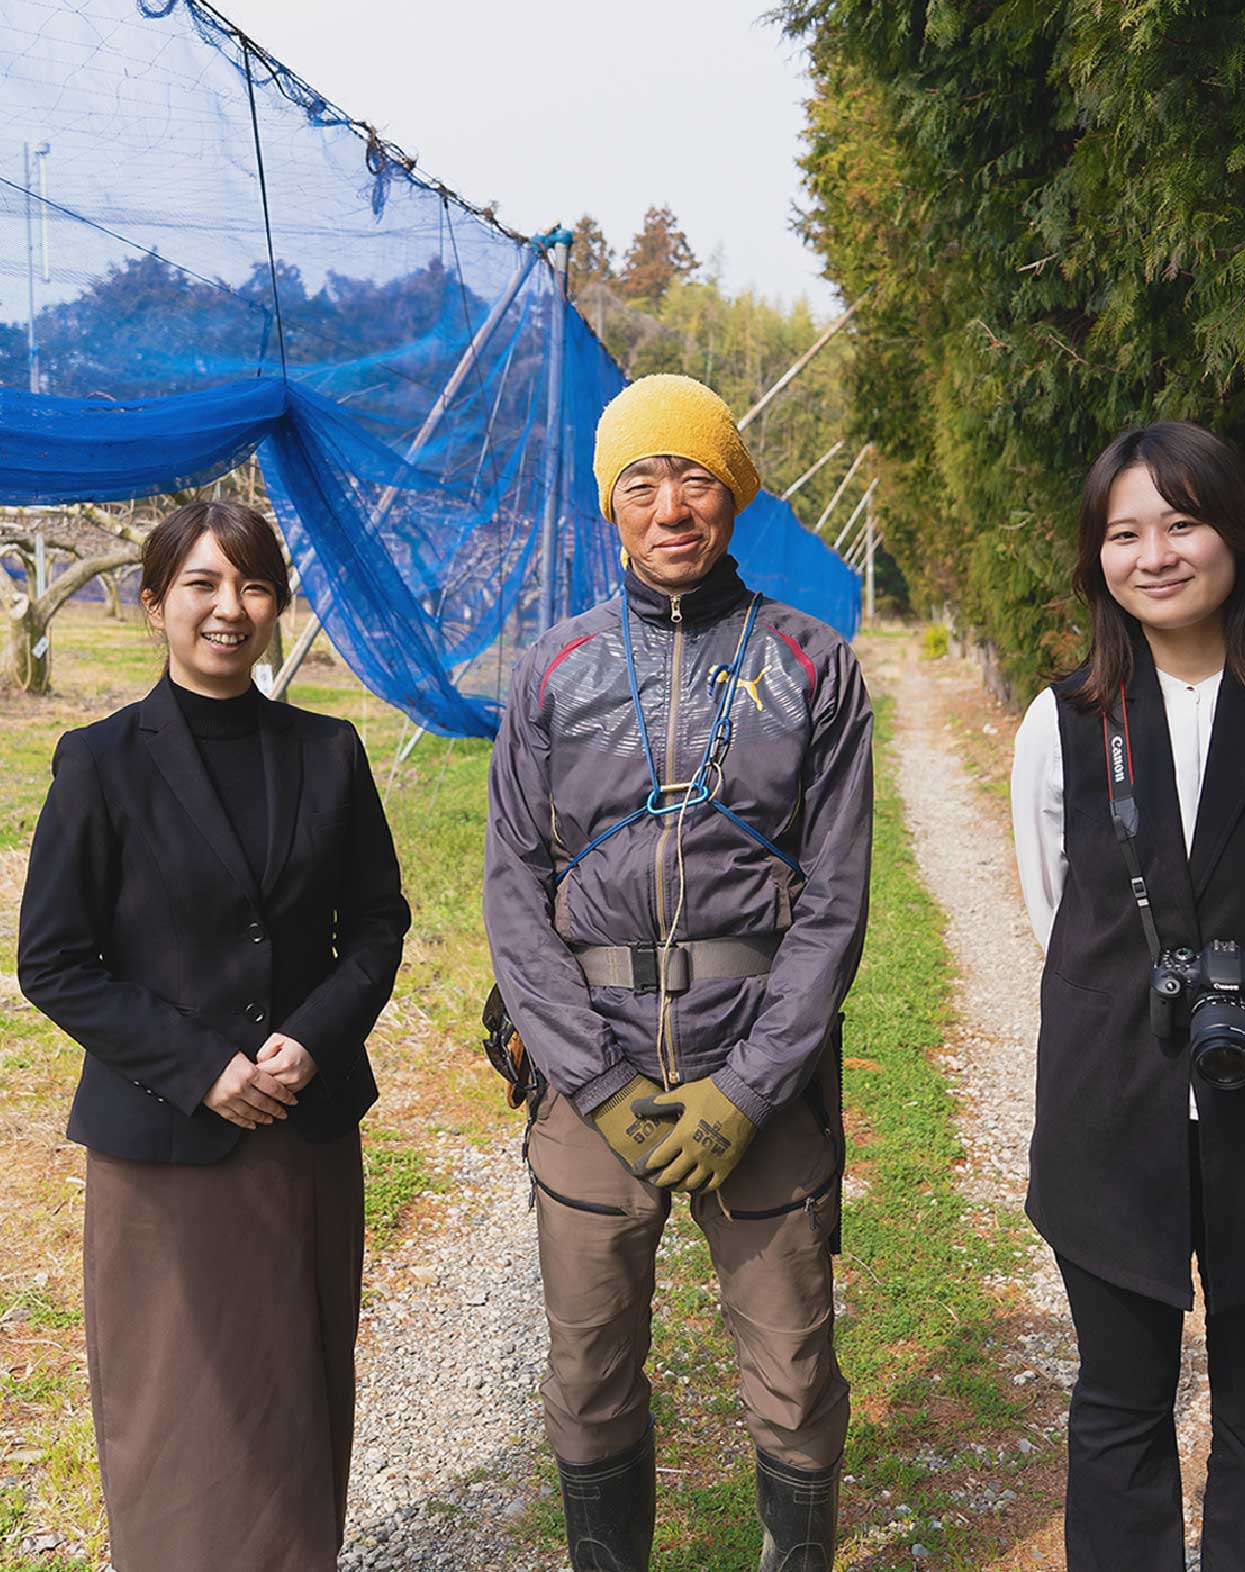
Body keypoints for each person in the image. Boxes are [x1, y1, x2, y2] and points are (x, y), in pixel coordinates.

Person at [483, 374, 872, 1571]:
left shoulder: (815, 666)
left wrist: (750, 1088)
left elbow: (836, 903)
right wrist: (589, 1081)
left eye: (694, 476)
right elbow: (511, 894)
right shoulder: (549, 671)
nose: (668, 506)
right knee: (588, 1368)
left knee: (794, 1370)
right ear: (610, 507)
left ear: (732, 496)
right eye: (640, 481)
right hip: (586, 1078)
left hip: (760, 1073)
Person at [1011, 421, 1245, 1571]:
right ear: (1096, 560)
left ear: (1235, 533)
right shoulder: (1061, 724)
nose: (1156, 554)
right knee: (1116, 1410)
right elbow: (1061, 921)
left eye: (1182, 522)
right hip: (1108, 1116)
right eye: (1124, 532)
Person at [18, 501, 411, 1572]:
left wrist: (313, 1039)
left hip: (306, 1134)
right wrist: (202, 1068)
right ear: (153, 605)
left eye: (252, 587)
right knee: (175, 1406)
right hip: (165, 1152)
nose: (228, 610)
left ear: (277, 605)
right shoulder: (100, 763)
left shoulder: (328, 754)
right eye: (201, 585)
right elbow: (53, 961)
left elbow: (378, 923)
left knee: (295, 1384)